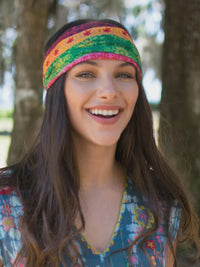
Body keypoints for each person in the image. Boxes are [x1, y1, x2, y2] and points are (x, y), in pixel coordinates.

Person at [0, 19, 199, 267]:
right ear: (56, 90)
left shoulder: (161, 205)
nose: (109, 90)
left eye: (124, 75)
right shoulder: (6, 201)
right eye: (86, 74)